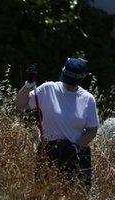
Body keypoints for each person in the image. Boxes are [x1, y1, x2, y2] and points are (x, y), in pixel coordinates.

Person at [15, 58, 99, 190]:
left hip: (75, 153)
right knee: (44, 196)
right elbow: (20, 104)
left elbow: (92, 130)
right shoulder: (48, 89)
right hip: (49, 150)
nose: (69, 85)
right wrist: (28, 85)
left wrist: (76, 146)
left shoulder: (88, 99)